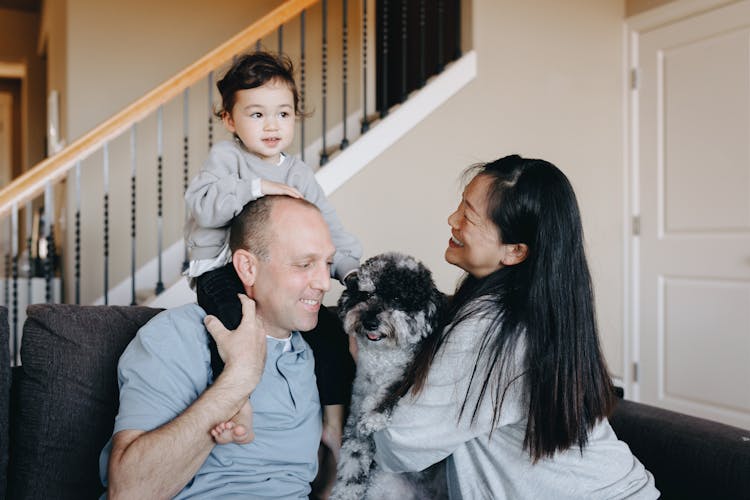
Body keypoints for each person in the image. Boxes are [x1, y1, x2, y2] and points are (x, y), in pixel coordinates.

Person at [371, 155, 659, 499]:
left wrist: (375, 361)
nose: (452, 219)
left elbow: (398, 447)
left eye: (469, 215)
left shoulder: (492, 332)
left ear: (515, 251)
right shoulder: (544, 312)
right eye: (460, 204)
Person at [100, 195, 336, 498]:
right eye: (305, 264)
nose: (325, 283)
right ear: (248, 267)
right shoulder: (179, 335)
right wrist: (240, 377)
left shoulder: (320, 354)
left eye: (327, 263)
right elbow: (130, 492)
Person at [183, 51, 360, 450]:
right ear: (230, 120)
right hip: (222, 270)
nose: (271, 125)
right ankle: (238, 405)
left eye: (283, 113)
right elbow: (203, 204)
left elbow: (328, 225)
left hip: (274, 274)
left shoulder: (299, 172)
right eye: (256, 114)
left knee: (330, 333)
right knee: (236, 323)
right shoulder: (227, 158)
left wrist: (350, 271)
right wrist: (257, 188)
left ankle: (333, 424)